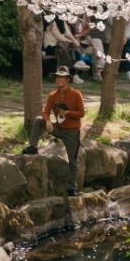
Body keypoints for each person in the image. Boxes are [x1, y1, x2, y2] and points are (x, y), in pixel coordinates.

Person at [21, 65, 85, 196]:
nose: (59, 80)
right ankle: (33, 146)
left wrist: (68, 113)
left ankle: (72, 188)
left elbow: (82, 113)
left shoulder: (76, 94)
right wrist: (49, 121)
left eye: (62, 77)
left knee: (73, 161)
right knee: (39, 120)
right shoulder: (52, 95)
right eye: (57, 77)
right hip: (58, 128)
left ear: (67, 79)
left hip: (72, 132)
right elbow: (45, 112)